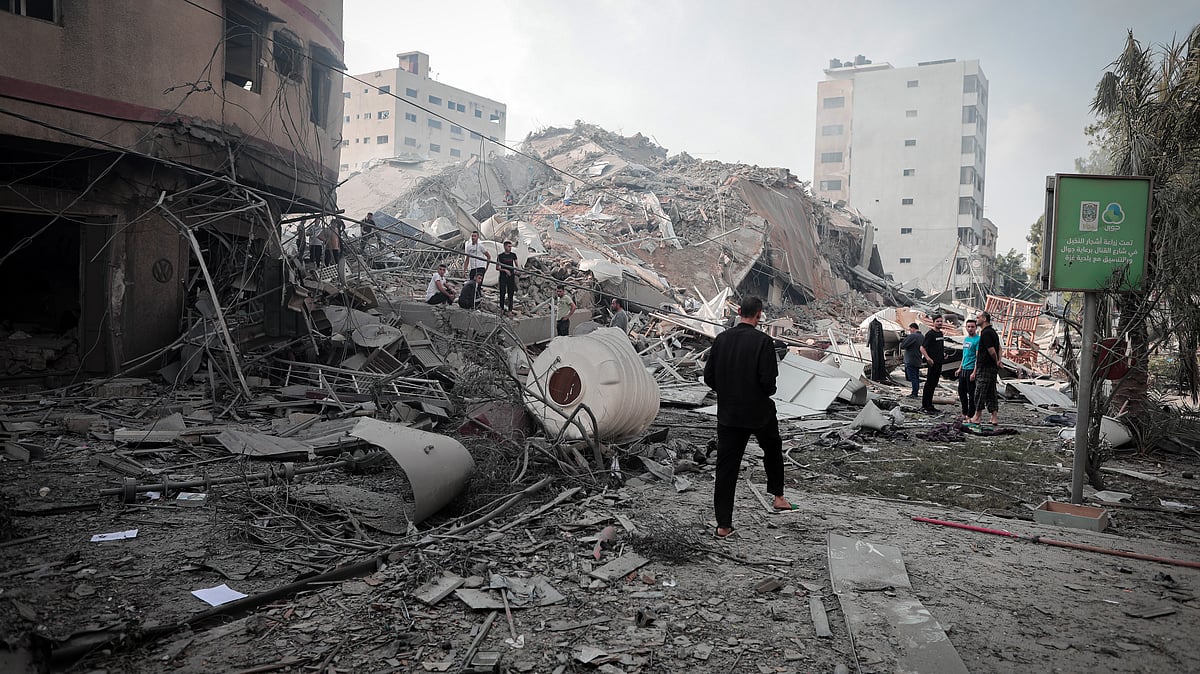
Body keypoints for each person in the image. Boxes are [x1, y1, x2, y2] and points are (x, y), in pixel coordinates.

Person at [703, 296, 791, 539]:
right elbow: (768, 382)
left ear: (739, 311)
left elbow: (708, 377)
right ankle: (778, 496)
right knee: (772, 449)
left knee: (726, 468)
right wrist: (760, 392)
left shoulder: (721, 339)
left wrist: (728, 390)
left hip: (729, 413)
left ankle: (723, 525)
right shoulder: (764, 342)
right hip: (759, 412)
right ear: (759, 314)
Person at [971, 311, 1002, 425]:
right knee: (991, 392)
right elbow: (999, 348)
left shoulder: (986, 333)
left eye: (978, 317)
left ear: (984, 319)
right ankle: (994, 417)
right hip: (992, 368)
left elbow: (992, 350)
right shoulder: (993, 332)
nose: (976, 319)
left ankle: (977, 416)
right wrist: (999, 361)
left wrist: (996, 360)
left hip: (985, 367)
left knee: (980, 392)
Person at [920, 315, 946, 414]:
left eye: (941, 321)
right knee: (929, 384)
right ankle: (925, 405)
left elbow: (938, 347)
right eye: (937, 321)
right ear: (934, 322)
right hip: (932, 363)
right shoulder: (930, 334)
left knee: (934, 384)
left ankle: (930, 405)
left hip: (939, 362)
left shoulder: (940, 334)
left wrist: (943, 354)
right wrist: (928, 358)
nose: (939, 323)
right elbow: (922, 348)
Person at [956, 318, 980, 420]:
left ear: (976, 328)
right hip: (964, 368)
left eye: (972, 327)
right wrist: (960, 368)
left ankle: (970, 414)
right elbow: (964, 355)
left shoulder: (978, 339)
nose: (970, 329)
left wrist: (974, 372)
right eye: (968, 327)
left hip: (971, 369)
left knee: (971, 392)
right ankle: (964, 411)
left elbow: (978, 357)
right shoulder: (966, 339)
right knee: (961, 391)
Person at [899, 323, 923, 398]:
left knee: (912, 377)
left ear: (913, 328)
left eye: (910, 329)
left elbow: (903, 346)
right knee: (916, 377)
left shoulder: (913, 336)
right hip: (918, 359)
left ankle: (914, 393)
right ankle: (915, 391)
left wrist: (904, 340)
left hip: (910, 359)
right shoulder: (922, 336)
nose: (909, 331)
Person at [496, 240, 519, 314]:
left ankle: (510, 310)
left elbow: (516, 265)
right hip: (503, 276)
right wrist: (505, 270)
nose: (510, 248)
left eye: (511, 247)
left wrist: (516, 270)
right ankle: (501, 309)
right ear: (505, 247)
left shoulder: (513, 255)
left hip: (511, 276)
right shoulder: (500, 256)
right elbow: (497, 267)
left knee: (510, 293)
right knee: (502, 293)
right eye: (509, 246)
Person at [867, 317, 887, 382]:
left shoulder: (872, 324)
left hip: (874, 344)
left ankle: (876, 377)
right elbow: (882, 335)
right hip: (878, 344)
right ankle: (881, 376)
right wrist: (883, 343)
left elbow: (869, 334)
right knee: (880, 359)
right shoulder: (878, 324)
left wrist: (867, 343)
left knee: (876, 360)